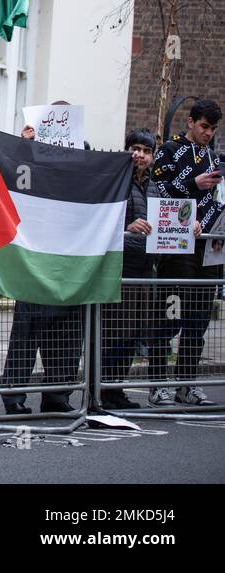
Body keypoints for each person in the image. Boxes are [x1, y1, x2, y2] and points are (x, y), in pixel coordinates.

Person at [148, 98, 221, 406]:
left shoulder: (213, 157)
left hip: (206, 246)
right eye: (204, 126)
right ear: (191, 122)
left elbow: (215, 199)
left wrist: (213, 226)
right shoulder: (169, 150)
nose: (208, 133)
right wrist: (194, 182)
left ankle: (186, 383)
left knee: (198, 320)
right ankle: (157, 383)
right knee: (169, 316)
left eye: (213, 129)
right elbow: (161, 188)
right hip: (176, 249)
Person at [98, 129, 160, 410]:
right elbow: (101, 217)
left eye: (146, 151)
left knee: (132, 334)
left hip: (145, 269)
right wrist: (126, 228)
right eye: (135, 148)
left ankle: (116, 389)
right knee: (113, 333)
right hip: (119, 267)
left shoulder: (155, 186)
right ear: (126, 150)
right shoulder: (115, 180)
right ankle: (103, 390)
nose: (140, 155)